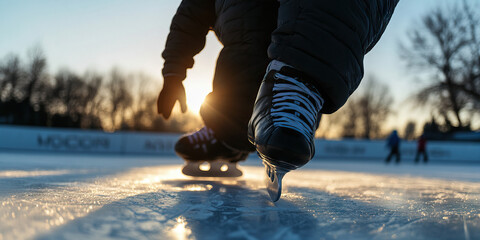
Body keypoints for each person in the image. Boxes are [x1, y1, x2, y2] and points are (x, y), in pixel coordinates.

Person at [158, 0, 399, 200]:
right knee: (245, 24)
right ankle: (226, 131)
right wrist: (173, 70)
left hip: (308, 35)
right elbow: (192, 11)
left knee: (323, 16)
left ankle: (296, 85)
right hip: (243, 53)